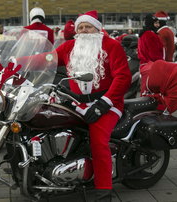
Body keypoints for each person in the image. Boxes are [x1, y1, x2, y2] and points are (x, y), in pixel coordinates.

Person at [55, 10, 131, 201]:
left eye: (88, 26)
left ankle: (104, 189)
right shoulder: (69, 47)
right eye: (80, 27)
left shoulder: (111, 46)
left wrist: (103, 104)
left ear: (97, 28)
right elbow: (47, 59)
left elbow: (123, 77)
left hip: (107, 102)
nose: (84, 30)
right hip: (78, 102)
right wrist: (18, 63)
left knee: (98, 141)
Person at [138, 14, 164, 94]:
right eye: (155, 23)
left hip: (144, 65)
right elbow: (154, 54)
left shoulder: (144, 34)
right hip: (152, 66)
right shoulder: (151, 35)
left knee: (145, 89)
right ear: (150, 23)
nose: (158, 25)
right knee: (153, 92)